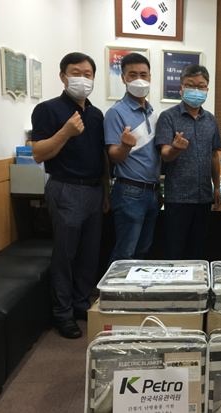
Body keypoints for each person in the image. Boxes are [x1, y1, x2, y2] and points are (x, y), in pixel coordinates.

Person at [31, 52, 109, 339]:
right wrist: (65, 131)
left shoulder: (96, 114)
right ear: (63, 76)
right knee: (65, 256)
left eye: (88, 74)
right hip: (66, 189)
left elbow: (102, 156)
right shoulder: (48, 110)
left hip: (94, 189)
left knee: (89, 254)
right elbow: (38, 153)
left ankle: (80, 304)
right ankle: (62, 313)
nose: (83, 79)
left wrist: (106, 191)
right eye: (76, 73)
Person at [155, 64, 221, 259]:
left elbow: (214, 155)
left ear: (207, 89)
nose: (196, 90)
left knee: (198, 250)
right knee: (174, 250)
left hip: (203, 197)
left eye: (201, 86)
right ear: (181, 88)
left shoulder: (211, 120)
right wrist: (176, 148)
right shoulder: (168, 117)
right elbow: (165, 155)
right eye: (191, 85)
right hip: (178, 198)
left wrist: (217, 187)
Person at [104, 53, 161, 265]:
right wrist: (126, 146)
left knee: (142, 251)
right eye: (132, 74)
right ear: (123, 78)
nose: (139, 80)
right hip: (130, 192)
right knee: (124, 254)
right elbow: (114, 155)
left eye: (143, 75)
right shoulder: (116, 112)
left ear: (150, 77)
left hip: (153, 192)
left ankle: (133, 287)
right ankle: (112, 287)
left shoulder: (153, 113)